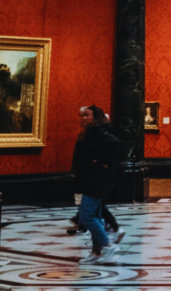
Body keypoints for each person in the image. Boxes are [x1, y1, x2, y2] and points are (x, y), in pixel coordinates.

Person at [71, 105, 124, 264]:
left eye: (87, 115)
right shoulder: (91, 132)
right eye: (82, 116)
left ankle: (108, 245)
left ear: (95, 117)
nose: (84, 118)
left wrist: (100, 162)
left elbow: (114, 143)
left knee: (86, 216)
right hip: (91, 178)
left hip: (96, 180)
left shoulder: (100, 131)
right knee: (96, 216)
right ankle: (96, 252)